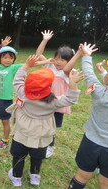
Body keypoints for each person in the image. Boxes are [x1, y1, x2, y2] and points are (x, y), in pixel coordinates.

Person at [7, 55, 82, 187]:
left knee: (18, 156)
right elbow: (71, 99)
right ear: (49, 86)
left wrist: (26, 65)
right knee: (37, 156)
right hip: (42, 133)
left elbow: (17, 80)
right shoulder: (54, 101)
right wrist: (73, 83)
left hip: (23, 131)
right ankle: (35, 176)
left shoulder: (23, 93)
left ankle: (16, 178)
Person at [67, 43, 108, 189]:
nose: (106, 73)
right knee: (107, 183)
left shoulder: (100, 94)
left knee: (82, 176)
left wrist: (87, 56)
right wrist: (104, 73)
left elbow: (89, 75)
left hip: (91, 143)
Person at [35, 30, 76, 158]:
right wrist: (45, 40)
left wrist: (78, 55)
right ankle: (39, 142)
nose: (58, 62)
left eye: (63, 60)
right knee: (41, 122)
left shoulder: (68, 72)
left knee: (51, 128)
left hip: (57, 105)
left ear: (69, 61)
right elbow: (38, 54)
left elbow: (68, 68)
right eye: (57, 58)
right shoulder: (50, 65)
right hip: (44, 101)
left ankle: (50, 146)